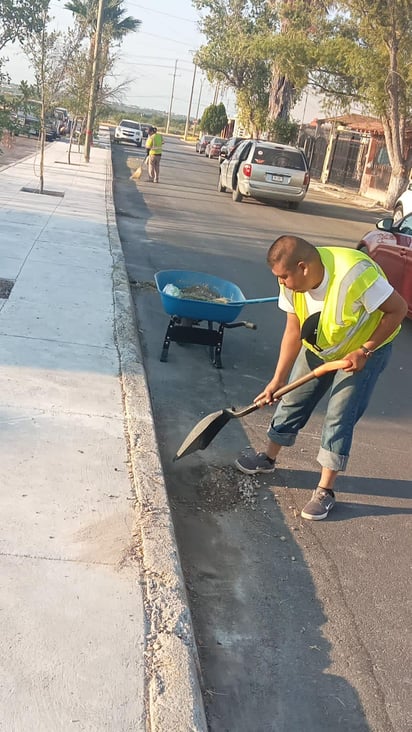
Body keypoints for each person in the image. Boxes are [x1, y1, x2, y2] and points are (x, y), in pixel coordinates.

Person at [235, 235, 408, 520]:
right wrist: (277, 379)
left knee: (340, 414)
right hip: (321, 344)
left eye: (284, 277)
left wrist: (364, 351)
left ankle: (325, 490)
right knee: (292, 399)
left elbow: (398, 309)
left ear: (302, 267)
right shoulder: (291, 285)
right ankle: (267, 458)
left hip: (365, 350)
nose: (281, 283)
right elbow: (293, 329)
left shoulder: (355, 273)